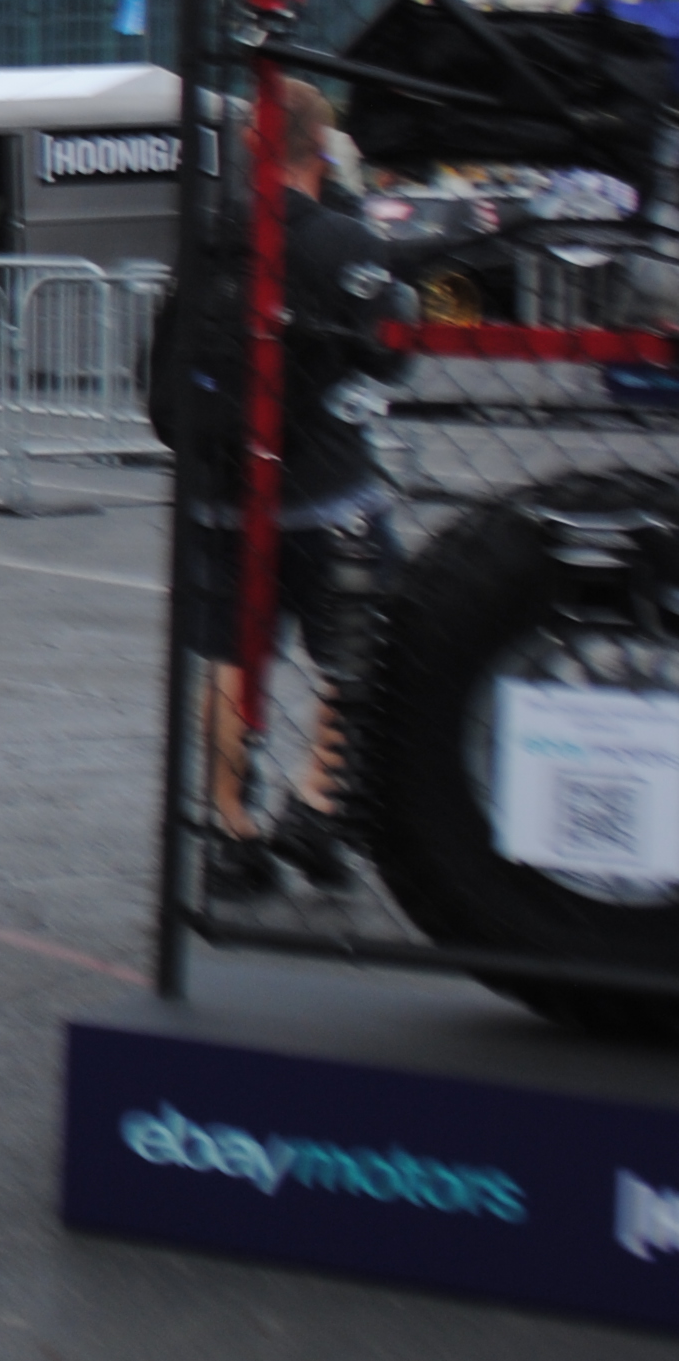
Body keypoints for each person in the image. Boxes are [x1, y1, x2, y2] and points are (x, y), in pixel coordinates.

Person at [151, 75, 409, 898]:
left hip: (222, 491)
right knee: (361, 651)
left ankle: (231, 830)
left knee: (232, 658)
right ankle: (316, 798)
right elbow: (388, 355)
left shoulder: (209, 237)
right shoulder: (344, 239)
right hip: (328, 490)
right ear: (320, 148)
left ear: (249, 146)